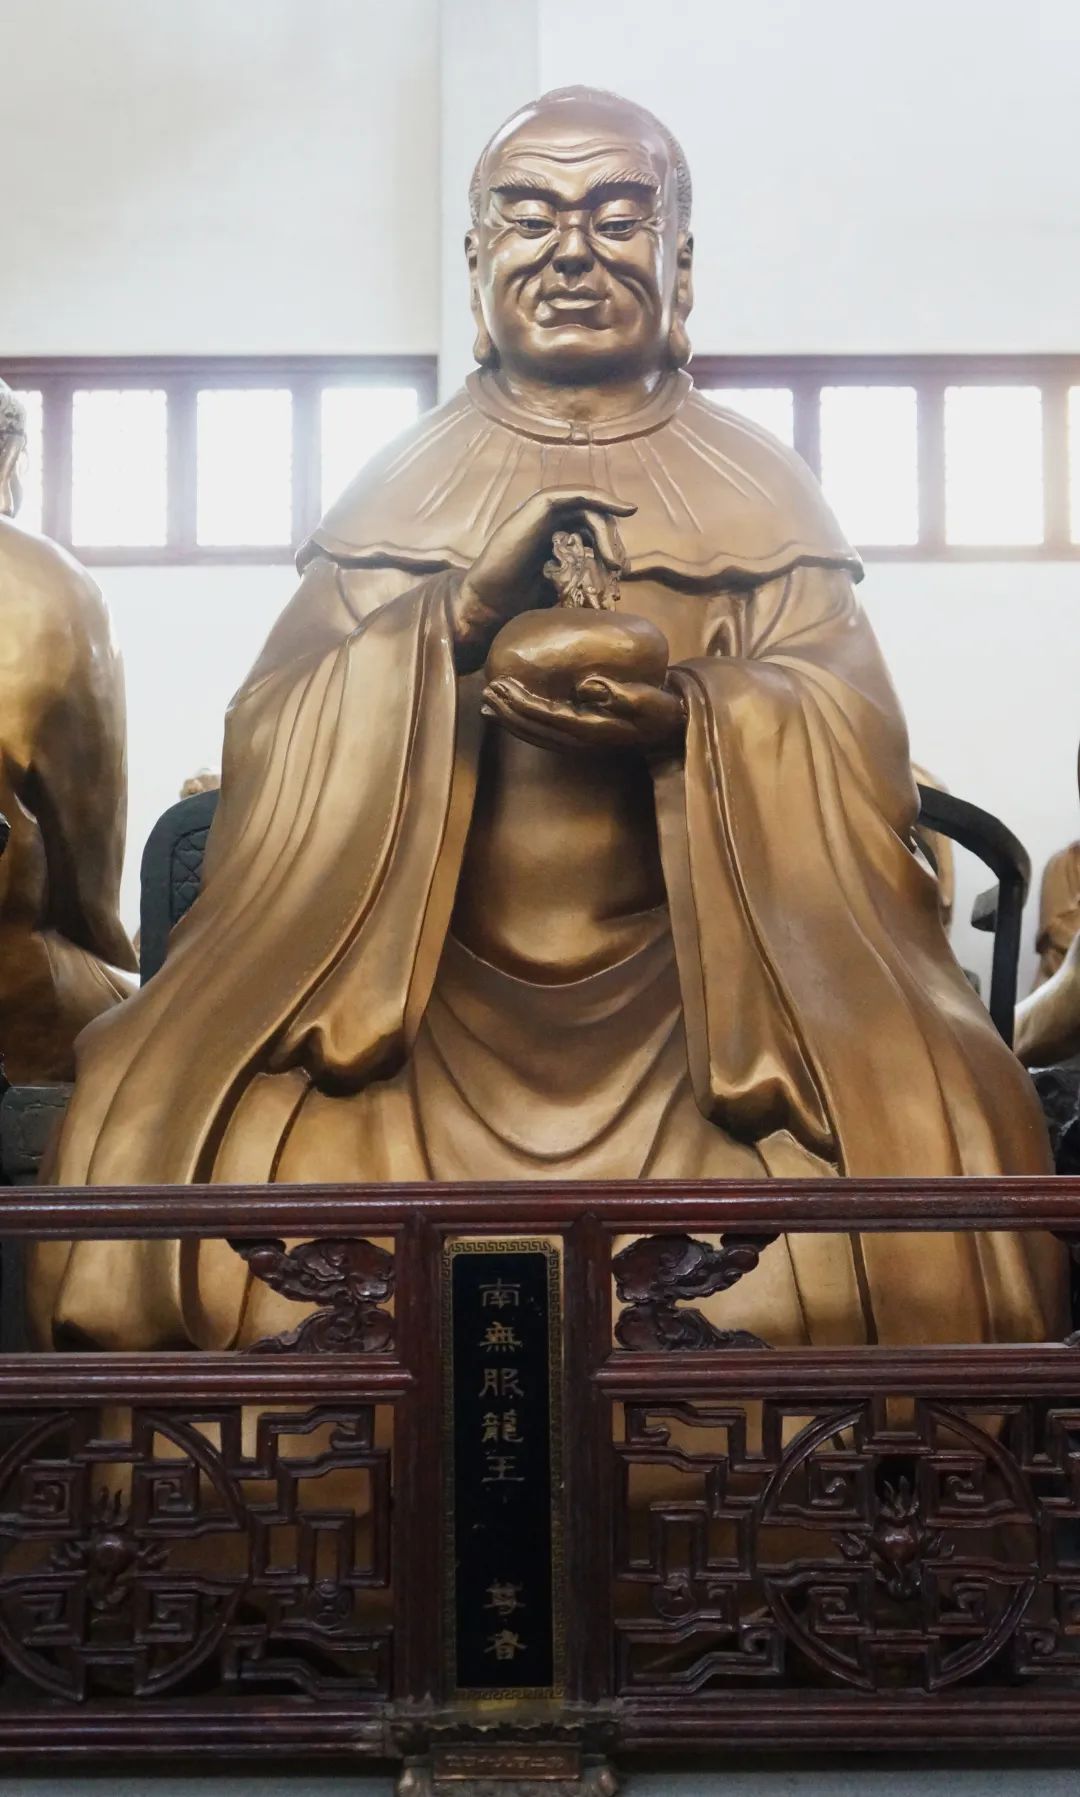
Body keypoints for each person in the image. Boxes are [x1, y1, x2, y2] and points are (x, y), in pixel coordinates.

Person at [37, 89, 1062, 1353]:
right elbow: (271, 735)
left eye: (617, 218)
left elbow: (858, 746)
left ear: (681, 264)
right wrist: (447, 624)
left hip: (717, 988)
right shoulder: (398, 489)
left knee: (949, 1123)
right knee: (151, 1123)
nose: (572, 251)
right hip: (407, 991)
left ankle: (866, 1472)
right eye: (530, 218)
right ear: (477, 262)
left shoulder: (764, 491)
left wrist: (690, 724)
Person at [0, 381, 134, 1082]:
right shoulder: (53, 585)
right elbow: (88, 888)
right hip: (13, 972)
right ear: (9, 459)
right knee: (162, 1028)